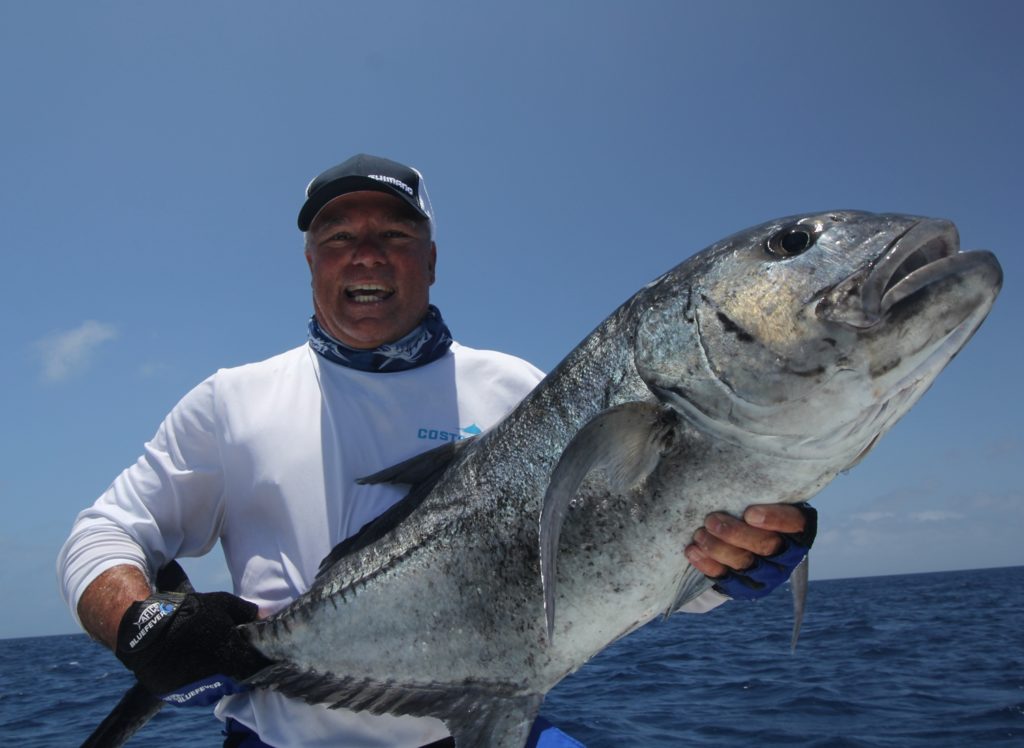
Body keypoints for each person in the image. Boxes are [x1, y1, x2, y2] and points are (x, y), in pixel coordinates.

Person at [58, 154, 815, 748]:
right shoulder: (232, 402)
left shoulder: (524, 391)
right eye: (338, 239)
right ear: (311, 263)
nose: (366, 256)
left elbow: (633, 559)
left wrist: (735, 563)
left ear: (431, 257)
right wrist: (139, 622)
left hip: (485, 730)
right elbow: (101, 536)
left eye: (393, 235)